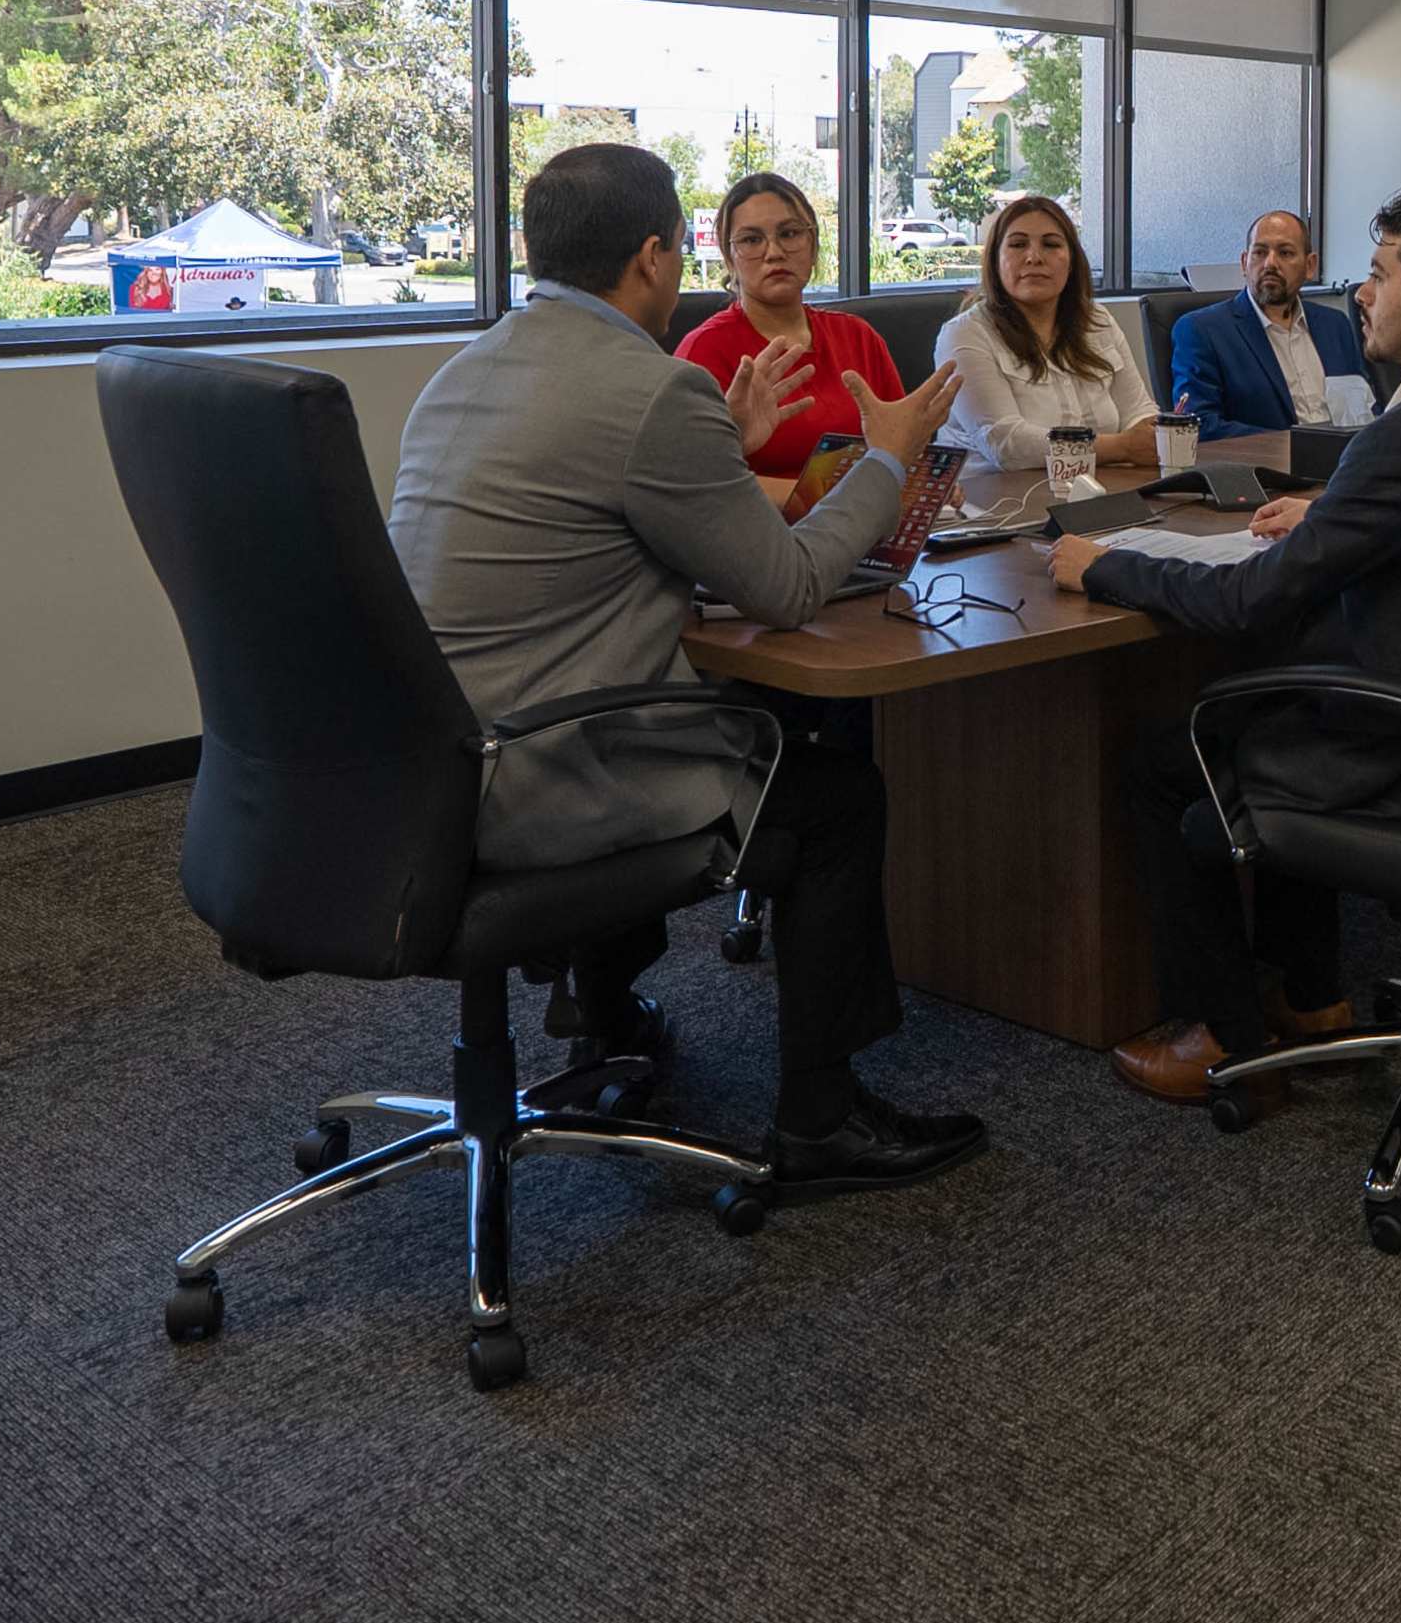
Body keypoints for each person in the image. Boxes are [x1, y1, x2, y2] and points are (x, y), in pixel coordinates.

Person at [386, 142, 982, 1198]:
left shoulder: (463, 370)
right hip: (536, 774)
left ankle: (610, 1021)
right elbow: (790, 588)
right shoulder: (649, 385)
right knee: (834, 795)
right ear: (660, 256)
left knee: (711, 716)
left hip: (415, 763)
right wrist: (887, 456)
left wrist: (728, 446)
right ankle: (822, 1116)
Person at [1046, 180, 1401, 1109]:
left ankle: (1221, 1032)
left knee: (1177, 751)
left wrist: (1104, 567)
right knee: (1270, 691)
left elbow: (1249, 597)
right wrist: (1339, 509)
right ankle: (1315, 1004)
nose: (1363, 293)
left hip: (1399, 734)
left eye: (1378, 273)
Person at [674, 171, 905, 490]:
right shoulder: (704, 350)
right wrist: (825, 500)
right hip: (766, 532)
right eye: (751, 240)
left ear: (812, 247)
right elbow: (693, 483)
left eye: (790, 233)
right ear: (730, 259)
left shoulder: (858, 336)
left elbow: (900, 445)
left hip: (872, 524)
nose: (774, 252)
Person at [943, 193, 1158, 471]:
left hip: (1098, 490)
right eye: (1018, 245)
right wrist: (1122, 447)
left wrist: (1149, 437)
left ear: (1072, 261)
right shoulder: (964, 334)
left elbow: (1139, 410)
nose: (1034, 257)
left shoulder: (1097, 320)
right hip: (996, 501)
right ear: (995, 261)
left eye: (1051, 244)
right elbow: (1005, 443)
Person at [1168, 206, 1367, 440]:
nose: (1270, 263)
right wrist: (1297, 448)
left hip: (1347, 464)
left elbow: (1364, 409)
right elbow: (1199, 425)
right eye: (1260, 253)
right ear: (1244, 263)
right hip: (1266, 470)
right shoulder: (1201, 331)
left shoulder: (1335, 326)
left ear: (1310, 266)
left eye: (1285, 253)